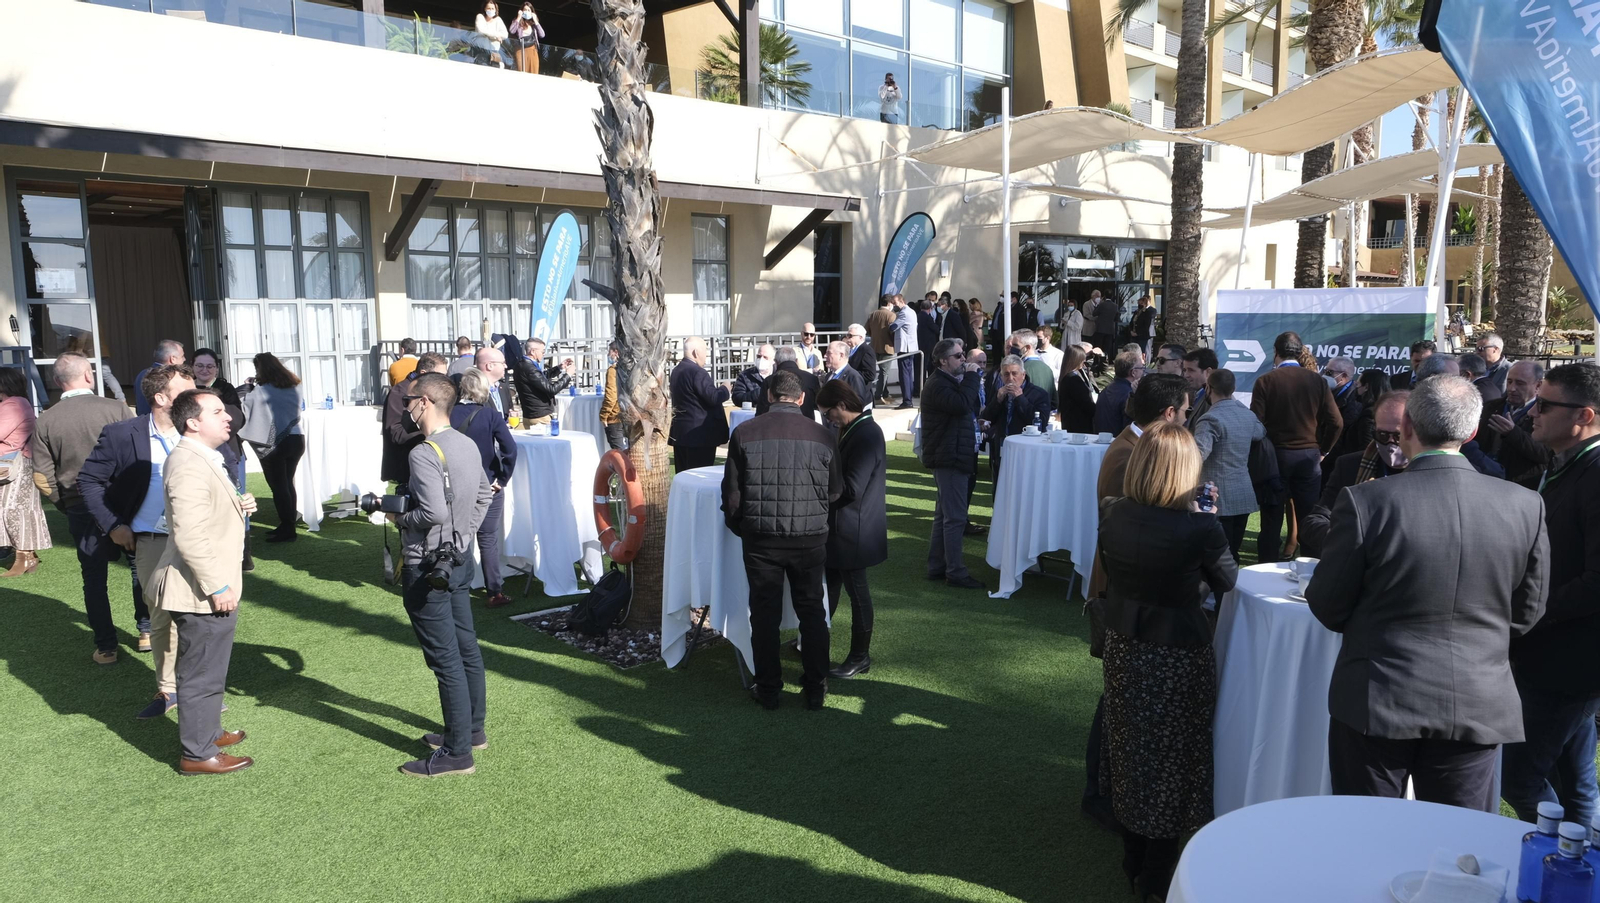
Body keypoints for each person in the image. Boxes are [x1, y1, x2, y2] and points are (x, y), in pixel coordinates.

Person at [1306, 376, 1549, 812]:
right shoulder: (1524, 504)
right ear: (1473, 432)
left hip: (1378, 698)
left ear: (1407, 428)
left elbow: (1327, 603)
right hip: (1473, 700)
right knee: (1459, 849)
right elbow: (1526, 613)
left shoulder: (1367, 502)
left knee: (1369, 838)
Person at [1098, 422, 1237, 899]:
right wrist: (1208, 519)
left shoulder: (1112, 511)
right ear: (1185, 471)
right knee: (1176, 757)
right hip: (1178, 655)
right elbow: (1228, 579)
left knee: (1130, 746)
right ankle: (1156, 872)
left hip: (1123, 645)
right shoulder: (1200, 526)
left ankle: (1133, 856)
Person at [1503, 363, 1600, 827]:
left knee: (1518, 778)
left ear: (1583, 415)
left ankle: (1565, 860)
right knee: (1573, 778)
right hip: (1556, 655)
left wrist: (1530, 611)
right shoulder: (1566, 464)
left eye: (1544, 405)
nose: (1531, 414)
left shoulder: (1596, 474)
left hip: (1568, 660)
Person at [77, 364, 203, 718]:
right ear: (161, 398)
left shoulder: (198, 429)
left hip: (200, 541)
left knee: (201, 617)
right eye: (186, 390)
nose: (196, 397)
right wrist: (114, 524)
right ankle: (168, 691)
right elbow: (88, 481)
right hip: (152, 542)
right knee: (162, 617)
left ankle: (200, 691)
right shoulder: (121, 434)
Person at [389, 373, 494, 777]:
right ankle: (471, 730)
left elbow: (430, 512)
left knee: (445, 658)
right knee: (465, 646)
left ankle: (457, 752)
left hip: (428, 563)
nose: (405, 405)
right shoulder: (465, 443)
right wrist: (463, 535)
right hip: (458, 560)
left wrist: (400, 517)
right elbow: (485, 494)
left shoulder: (424, 452)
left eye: (409, 399)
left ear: (426, 403)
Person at [721, 370, 840, 710]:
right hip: (809, 538)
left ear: (770, 396)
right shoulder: (823, 435)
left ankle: (769, 688)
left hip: (762, 540)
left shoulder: (744, 432)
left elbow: (732, 496)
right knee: (812, 612)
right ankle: (815, 687)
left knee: (764, 615)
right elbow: (835, 491)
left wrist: (742, 527)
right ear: (802, 399)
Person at [152, 388, 256, 774]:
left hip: (206, 586)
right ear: (193, 422)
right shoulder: (189, 462)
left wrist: (238, 504)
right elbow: (189, 535)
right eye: (217, 411)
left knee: (210, 668)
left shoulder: (202, 457)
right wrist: (216, 586)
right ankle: (198, 754)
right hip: (201, 590)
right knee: (200, 673)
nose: (228, 416)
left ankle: (207, 733)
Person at [30, 354, 137, 657]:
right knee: (138, 569)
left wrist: (63, 502)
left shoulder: (46, 420)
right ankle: (145, 631)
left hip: (79, 504)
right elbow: (139, 455)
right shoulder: (117, 408)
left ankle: (106, 647)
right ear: (89, 377)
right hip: (123, 502)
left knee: (94, 578)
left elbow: (41, 474)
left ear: (56, 382)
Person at [1250, 332, 1343, 562]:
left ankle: (1266, 571)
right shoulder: (1317, 381)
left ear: (1275, 352)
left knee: (1271, 521)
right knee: (1308, 520)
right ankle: (1311, 571)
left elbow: (1256, 424)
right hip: (1308, 459)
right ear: (1300, 351)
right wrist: (1323, 450)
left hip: (1274, 458)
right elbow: (1336, 422)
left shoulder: (1265, 381)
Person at [817, 380, 885, 680]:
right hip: (842, 526)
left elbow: (853, 488)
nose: (827, 419)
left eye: (829, 412)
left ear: (842, 405)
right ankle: (813, 641)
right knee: (828, 589)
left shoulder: (867, 432)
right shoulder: (853, 429)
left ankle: (860, 657)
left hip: (854, 529)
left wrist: (818, 488)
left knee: (857, 595)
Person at [1299, 391, 1410, 559]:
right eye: (1382, 435)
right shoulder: (1350, 465)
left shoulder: (1432, 470)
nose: (1390, 443)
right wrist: (1347, 538)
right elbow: (1315, 520)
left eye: (1398, 436)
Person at [451, 369, 518, 610]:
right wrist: (502, 478)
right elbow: (510, 449)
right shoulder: (490, 415)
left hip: (456, 484)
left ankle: (456, 587)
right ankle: (494, 591)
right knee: (487, 539)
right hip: (487, 484)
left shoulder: (447, 414)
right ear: (483, 389)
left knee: (458, 537)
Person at [921, 339, 983, 589]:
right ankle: (955, 572)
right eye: (958, 357)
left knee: (944, 516)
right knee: (955, 518)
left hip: (950, 454)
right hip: (949, 457)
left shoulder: (942, 381)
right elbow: (961, 405)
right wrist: (972, 377)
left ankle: (937, 566)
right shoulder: (939, 384)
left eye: (962, 355)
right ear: (943, 361)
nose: (964, 360)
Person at [1192, 368, 1265, 562]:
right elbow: (1260, 433)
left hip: (1215, 496)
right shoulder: (1247, 416)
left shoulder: (1210, 418)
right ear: (1233, 389)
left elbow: (1198, 454)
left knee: (1216, 555)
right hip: (1243, 492)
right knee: (1233, 551)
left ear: (1208, 388)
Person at [240, 352, 306, 543]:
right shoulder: (295, 385)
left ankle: (287, 528)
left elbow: (246, 407)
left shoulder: (261, 390)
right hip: (296, 439)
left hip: (274, 444)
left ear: (260, 369)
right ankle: (287, 524)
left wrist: (247, 387)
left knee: (279, 487)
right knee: (287, 483)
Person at [0, 367, 51, 579]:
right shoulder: (18, 403)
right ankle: (26, 555)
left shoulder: (13, 405)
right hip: (18, 464)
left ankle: (24, 557)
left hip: (14, 466)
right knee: (16, 510)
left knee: (13, 511)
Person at [382, 352, 449, 491]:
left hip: (431, 461)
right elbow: (396, 434)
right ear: (423, 372)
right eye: (440, 376)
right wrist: (428, 430)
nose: (444, 380)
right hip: (407, 468)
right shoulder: (399, 393)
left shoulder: (435, 391)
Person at [1480, 360, 1550, 487]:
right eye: (1510, 381)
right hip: (1485, 480)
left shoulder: (1545, 414)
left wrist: (1513, 433)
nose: (1512, 388)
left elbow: (1545, 454)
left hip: (1519, 485)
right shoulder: (1491, 407)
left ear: (1538, 386)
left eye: (1520, 383)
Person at [982, 355, 1052, 481]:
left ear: (1023, 375)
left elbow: (1040, 421)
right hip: (1002, 448)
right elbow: (987, 418)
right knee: (1000, 488)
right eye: (1006, 374)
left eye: (1014, 373)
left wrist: (1020, 398)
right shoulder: (1000, 393)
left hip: (1027, 450)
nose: (1010, 378)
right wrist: (997, 400)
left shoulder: (1038, 394)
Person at [668, 337, 730, 472]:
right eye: (705, 352)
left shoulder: (677, 371)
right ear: (696, 353)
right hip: (699, 437)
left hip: (681, 434)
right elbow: (713, 397)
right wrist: (725, 389)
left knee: (684, 476)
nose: (706, 357)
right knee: (698, 477)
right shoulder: (697, 372)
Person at [511, 338, 572, 427]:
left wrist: (559, 368)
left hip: (532, 414)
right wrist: (568, 375)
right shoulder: (529, 367)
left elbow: (540, 378)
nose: (543, 354)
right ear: (532, 351)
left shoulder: (522, 364)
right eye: (542, 352)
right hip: (539, 416)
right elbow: (551, 389)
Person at [1322, 357, 1369, 465]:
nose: (1325, 375)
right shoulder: (1327, 392)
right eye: (1325, 371)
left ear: (1343, 376)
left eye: (1329, 372)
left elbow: (1342, 432)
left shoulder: (1355, 399)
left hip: (1337, 460)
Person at [756, 347, 821, 420]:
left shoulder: (770, 380)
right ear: (796, 361)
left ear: (776, 362)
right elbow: (819, 405)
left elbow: (760, 412)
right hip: (806, 426)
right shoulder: (811, 379)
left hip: (775, 425)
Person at [1093, 351, 1145, 435]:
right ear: (1133, 372)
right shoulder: (1129, 395)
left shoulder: (1106, 390)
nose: (1143, 372)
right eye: (1142, 368)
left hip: (1102, 440)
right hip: (1118, 443)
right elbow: (1130, 428)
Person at [134, 339, 185, 416]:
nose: (184, 359)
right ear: (173, 359)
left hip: (143, 422)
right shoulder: (172, 377)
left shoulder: (142, 374)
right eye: (182, 356)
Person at [1056, 345, 1097, 434]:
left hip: (1070, 424)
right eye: (1082, 359)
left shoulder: (1066, 377)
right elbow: (1086, 403)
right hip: (1079, 426)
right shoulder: (1073, 379)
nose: (1084, 361)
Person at [866, 296, 897, 403]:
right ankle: (878, 396)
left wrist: (875, 336)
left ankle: (885, 393)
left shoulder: (873, 314)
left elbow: (867, 329)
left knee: (884, 372)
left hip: (874, 345)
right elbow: (893, 332)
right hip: (887, 347)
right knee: (884, 372)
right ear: (889, 303)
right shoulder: (891, 315)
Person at [1013, 330, 1056, 406]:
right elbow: (1054, 401)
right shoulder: (1047, 369)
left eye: (1016, 345)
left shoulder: (1021, 369)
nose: (1012, 349)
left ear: (1027, 347)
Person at [891, 294, 919, 409]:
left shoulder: (904, 313)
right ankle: (908, 399)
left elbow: (893, 327)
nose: (894, 305)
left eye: (895, 303)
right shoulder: (911, 311)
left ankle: (907, 400)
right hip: (910, 346)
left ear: (902, 301)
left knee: (904, 375)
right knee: (907, 374)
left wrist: (889, 323)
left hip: (905, 348)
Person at [823, 340, 868, 405]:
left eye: (829, 353)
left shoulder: (853, 377)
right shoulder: (829, 376)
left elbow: (858, 403)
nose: (825, 356)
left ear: (841, 355)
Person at [1181, 348, 1217, 429]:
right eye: (1184, 370)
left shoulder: (1214, 400)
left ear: (1208, 372)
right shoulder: (1195, 394)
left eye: (1191, 370)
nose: (1186, 375)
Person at [599, 342, 625, 450]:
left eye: (609, 352)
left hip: (615, 416)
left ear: (615, 352)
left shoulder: (613, 370)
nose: (608, 355)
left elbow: (611, 396)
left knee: (619, 453)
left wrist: (604, 415)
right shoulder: (627, 369)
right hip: (627, 414)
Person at [731, 344, 776, 408]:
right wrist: (758, 394)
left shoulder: (778, 375)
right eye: (759, 356)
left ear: (773, 360)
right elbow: (737, 398)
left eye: (765, 357)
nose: (761, 360)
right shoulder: (745, 376)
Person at [472, 1, 511, 68]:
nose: (491, 10)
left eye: (493, 9)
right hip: (481, 51)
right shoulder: (480, 17)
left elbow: (505, 34)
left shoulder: (498, 20)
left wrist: (491, 35)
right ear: (485, 9)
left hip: (494, 52)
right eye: (489, 8)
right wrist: (496, 36)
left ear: (495, 10)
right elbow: (481, 30)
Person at [508, 1, 543, 74]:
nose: (526, 12)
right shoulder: (517, 22)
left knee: (533, 72)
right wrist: (518, 17)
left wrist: (536, 21)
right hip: (520, 50)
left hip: (532, 51)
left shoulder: (533, 24)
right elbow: (511, 31)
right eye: (525, 10)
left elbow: (542, 35)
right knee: (521, 72)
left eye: (528, 10)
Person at [845, 324, 879, 398]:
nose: (847, 338)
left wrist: (849, 375)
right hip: (850, 392)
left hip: (861, 394)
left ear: (860, 337)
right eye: (847, 335)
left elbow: (870, 375)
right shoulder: (850, 349)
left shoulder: (866, 350)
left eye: (850, 336)